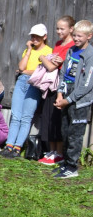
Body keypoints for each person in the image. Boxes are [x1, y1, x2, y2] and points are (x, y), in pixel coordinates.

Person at [0, 23, 53, 158]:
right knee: (15, 115)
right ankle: (9, 145)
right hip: (21, 82)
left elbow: (41, 71)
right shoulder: (29, 50)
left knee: (26, 117)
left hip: (35, 84)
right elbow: (21, 66)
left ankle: (18, 148)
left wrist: (25, 71)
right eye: (33, 36)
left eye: (38, 36)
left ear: (44, 37)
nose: (35, 39)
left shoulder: (48, 51)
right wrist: (29, 50)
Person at [53, 20, 93, 178]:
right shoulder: (71, 50)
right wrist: (59, 94)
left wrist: (68, 100)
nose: (76, 39)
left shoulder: (90, 55)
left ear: (89, 36)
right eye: (74, 35)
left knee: (75, 134)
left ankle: (72, 167)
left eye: (79, 36)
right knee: (65, 130)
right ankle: (66, 161)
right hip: (66, 94)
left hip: (80, 99)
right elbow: (63, 73)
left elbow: (87, 84)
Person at [37, 15, 75, 166]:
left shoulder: (71, 45)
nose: (58, 31)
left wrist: (42, 57)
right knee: (50, 117)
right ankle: (51, 151)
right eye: (57, 28)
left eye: (62, 28)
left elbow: (52, 65)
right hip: (51, 84)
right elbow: (53, 61)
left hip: (61, 85)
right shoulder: (59, 43)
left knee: (58, 118)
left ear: (71, 29)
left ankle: (59, 153)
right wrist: (50, 60)